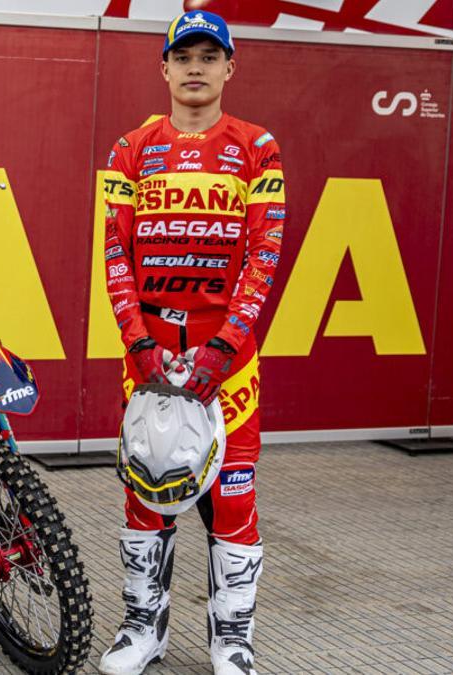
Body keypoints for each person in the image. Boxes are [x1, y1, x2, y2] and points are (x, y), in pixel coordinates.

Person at [96, 10, 285, 675]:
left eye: (211, 55)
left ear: (230, 67)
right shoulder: (129, 149)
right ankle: (143, 628)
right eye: (185, 56)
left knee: (233, 491)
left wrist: (227, 345)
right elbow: (114, 252)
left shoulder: (258, 146)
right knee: (147, 488)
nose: (197, 67)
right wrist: (137, 342)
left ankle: (232, 637)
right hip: (147, 349)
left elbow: (265, 253)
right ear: (165, 68)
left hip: (225, 357)